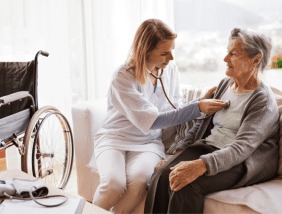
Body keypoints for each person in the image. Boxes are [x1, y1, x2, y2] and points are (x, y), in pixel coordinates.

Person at [92, 19, 227, 214]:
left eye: (172, 50)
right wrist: (197, 107)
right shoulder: (122, 76)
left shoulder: (170, 70)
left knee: (139, 182)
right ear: (144, 52)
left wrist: (199, 103)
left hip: (148, 142)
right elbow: (154, 120)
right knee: (114, 184)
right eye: (164, 53)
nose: (171, 58)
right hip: (115, 138)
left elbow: (174, 106)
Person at [144, 28, 280, 214]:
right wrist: (178, 154)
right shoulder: (225, 84)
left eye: (233, 53)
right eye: (227, 51)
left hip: (243, 161)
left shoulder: (262, 101)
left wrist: (200, 165)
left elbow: (242, 148)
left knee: (184, 184)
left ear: (255, 60)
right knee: (161, 175)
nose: (225, 59)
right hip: (210, 147)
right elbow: (202, 124)